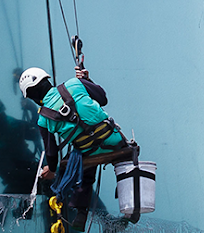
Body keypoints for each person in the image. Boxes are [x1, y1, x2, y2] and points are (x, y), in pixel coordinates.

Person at [19, 66, 129, 231]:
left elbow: (51, 152)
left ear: (33, 96)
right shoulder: (74, 84)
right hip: (114, 142)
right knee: (110, 162)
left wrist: (52, 168)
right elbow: (102, 98)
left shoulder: (43, 119)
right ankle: (127, 210)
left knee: (79, 170)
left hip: (87, 153)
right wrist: (86, 81)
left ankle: (81, 214)